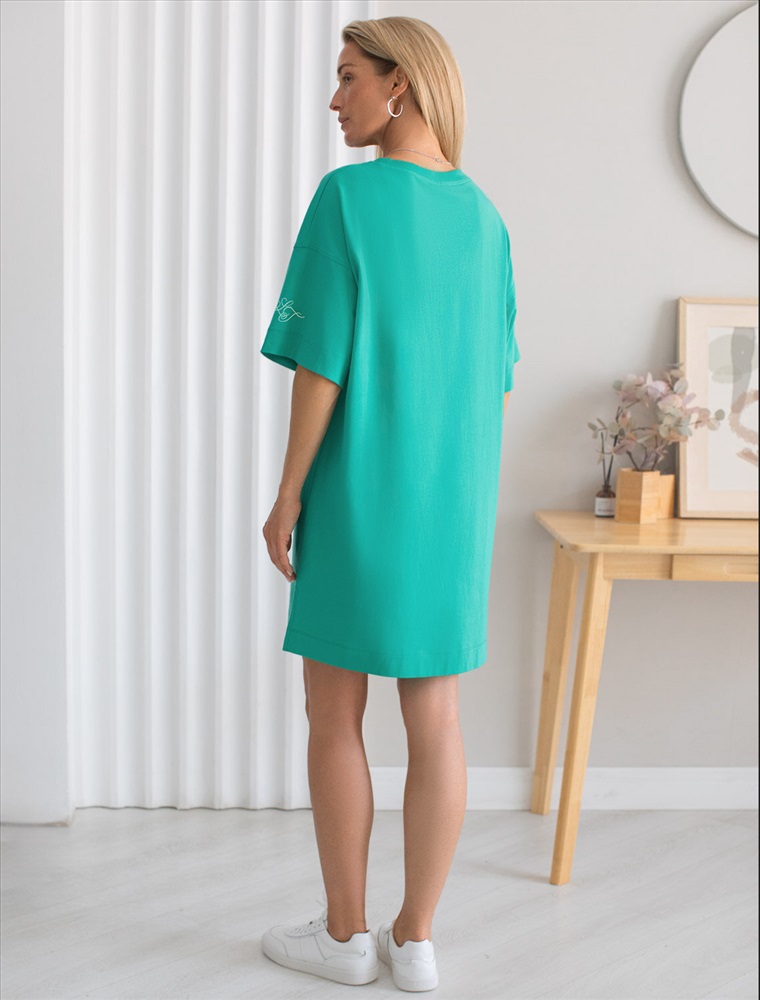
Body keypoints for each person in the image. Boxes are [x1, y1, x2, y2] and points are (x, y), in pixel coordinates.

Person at [259, 14, 520, 993]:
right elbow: (493, 376)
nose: (336, 100)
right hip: (453, 506)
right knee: (436, 718)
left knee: (334, 712)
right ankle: (416, 942)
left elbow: (320, 365)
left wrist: (289, 490)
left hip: (362, 492)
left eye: (348, 78)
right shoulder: (487, 220)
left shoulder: (348, 198)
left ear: (398, 84)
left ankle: (343, 937)